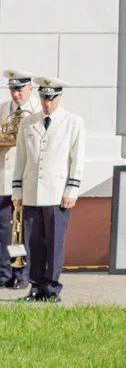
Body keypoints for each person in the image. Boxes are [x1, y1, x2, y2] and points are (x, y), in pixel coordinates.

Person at [12, 76, 84, 303]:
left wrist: (71, 190)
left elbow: (77, 159)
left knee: (54, 242)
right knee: (33, 242)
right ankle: (35, 287)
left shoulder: (73, 122)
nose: (47, 103)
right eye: (43, 98)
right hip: (32, 191)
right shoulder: (28, 122)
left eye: (51, 98)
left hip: (57, 192)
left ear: (59, 97)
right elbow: (21, 159)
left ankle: (52, 288)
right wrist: (18, 192)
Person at [0, 70, 39, 290]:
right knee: (4, 230)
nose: (16, 94)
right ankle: (4, 273)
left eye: (20, 89)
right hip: (3, 180)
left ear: (30, 89)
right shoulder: (3, 110)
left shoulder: (36, 112)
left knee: (22, 231)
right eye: (13, 89)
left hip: (25, 182)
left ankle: (23, 273)